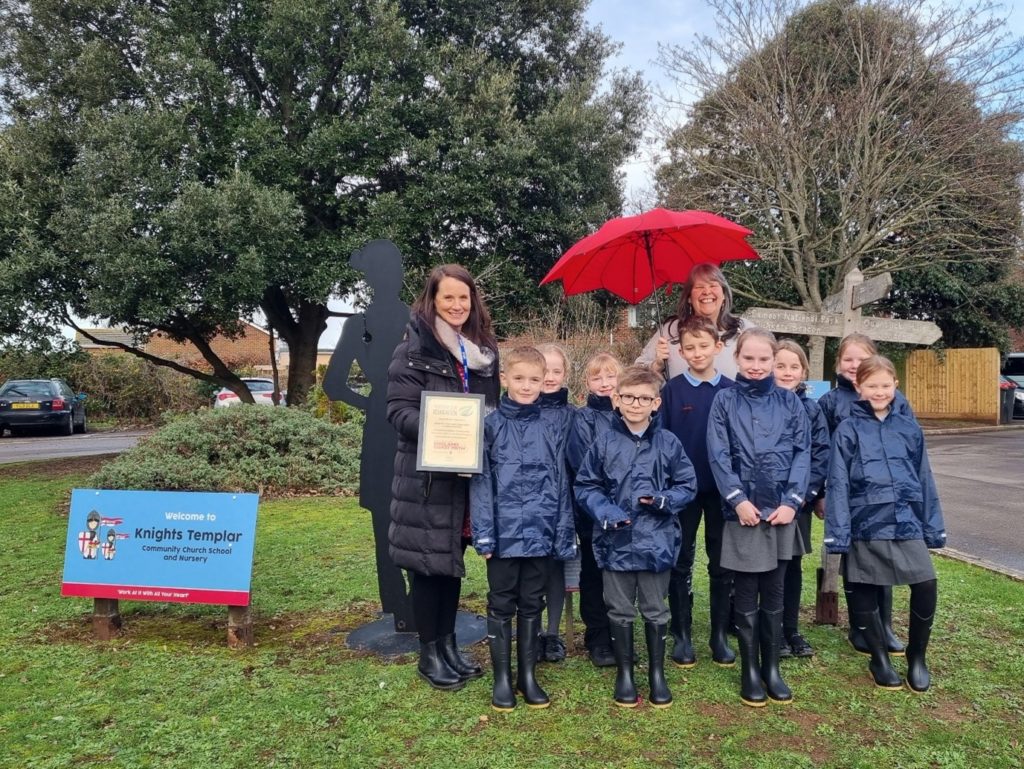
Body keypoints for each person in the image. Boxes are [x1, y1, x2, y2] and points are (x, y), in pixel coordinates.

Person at [386, 264, 500, 691]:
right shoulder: (412, 350)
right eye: (447, 297)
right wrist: (446, 429)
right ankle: (429, 653)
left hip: (467, 479)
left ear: (473, 302)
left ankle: (449, 645)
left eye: (463, 297)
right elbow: (399, 412)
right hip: (428, 480)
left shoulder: (483, 352)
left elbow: (492, 410)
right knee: (428, 569)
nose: (456, 305)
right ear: (432, 300)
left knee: (450, 566)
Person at [575, 367, 697, 709]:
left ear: (656, 403)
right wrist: (605, 510)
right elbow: (586, 485)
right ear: (617, 399)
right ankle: (625, 673)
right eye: (629, 397)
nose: (636, 404)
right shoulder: (604, 442)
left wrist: (665, 500)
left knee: (655, 609)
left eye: (644, 398)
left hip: (657, 541)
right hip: (615, 542)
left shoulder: (669, 443)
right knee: (619, 609)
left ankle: (657, 673)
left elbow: (687, 484)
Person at [825, 355, 945, 693]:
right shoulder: (847, 430)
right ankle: (878, 658)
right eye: (871, 385)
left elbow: (924, 477)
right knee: (863, 586)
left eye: (885, 385)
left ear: (895, 385)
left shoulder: (909, 428)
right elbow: (838, 483)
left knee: (926, 583)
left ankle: (917, 656)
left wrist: (932, 525)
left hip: (905, 520)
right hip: (865, 522)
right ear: (859, 387)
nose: (879, 391)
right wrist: (838, 533)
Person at [707, 328, 810, 707]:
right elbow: (718, 453)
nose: (756, 365)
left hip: (781, 512)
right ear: (736, 359)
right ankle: (750, 669)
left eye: (763, 359)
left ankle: (772, 668)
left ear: (773, 360)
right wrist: (737, 500)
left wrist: (793, 501)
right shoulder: (724, 401)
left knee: (775, 591)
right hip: (744, 513)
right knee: (747, 591)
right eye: (748, 358)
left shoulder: (789, 402)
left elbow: (802, 451)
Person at [471, 346, 576, 711]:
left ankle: (527, 676)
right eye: (519, 378)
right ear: (505, 379)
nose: (527, 386)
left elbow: (561, 483)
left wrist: (563, 532)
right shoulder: (490, 427)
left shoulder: (552, 427)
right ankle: (502, 678)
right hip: (502, 536)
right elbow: (481, 483)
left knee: (532, 603)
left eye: (534, 379)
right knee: (502, 604)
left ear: (544, 380)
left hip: (541, 533)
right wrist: (484, 533)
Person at [817, 333, 905, 656]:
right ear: (838, 363)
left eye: (862, 358)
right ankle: (860, 627)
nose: (855, 365)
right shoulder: (829, 402)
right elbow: (822, 451)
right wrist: (822, 493)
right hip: (848, 496)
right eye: (848, 359)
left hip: (883, 496)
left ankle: (885, 625)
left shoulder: (892, 397)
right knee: (855, 563)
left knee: (883, 559)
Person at [659, 317, 737, 668]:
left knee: (721, 563)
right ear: (680, 352)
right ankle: (682, 634)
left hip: (721, 490)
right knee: (680, 562)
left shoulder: (731, 391)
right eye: (689, 347)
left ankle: (719, 635)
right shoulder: (671, 391)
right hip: (683, 491)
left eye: (704, 346)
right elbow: (662, 442)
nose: (697, 353)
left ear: (718, 347)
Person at [565, 352, 624, 667]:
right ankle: (597, 637)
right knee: (593, 575)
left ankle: (620, 633)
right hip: (593, 512)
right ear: (587, 383)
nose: (604, 383)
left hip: (627, 512)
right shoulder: (583, 418)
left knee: (621, 576)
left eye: (610, 376)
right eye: (597, 377)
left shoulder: (630, 413)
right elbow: (582, 463)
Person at [773, 339, 830, 658]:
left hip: (798, 502)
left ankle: (790, 628)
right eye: (780, 365)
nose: (787, 372)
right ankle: (772, 629)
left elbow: (820, 454)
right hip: (766, 499)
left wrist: (805, 495)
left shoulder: (812, 409)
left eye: (794, 366)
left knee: (792, 564)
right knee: (769, 566)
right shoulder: (762, 405)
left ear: (804, 372)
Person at [635, 263, 751, 379]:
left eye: (713, 285)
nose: (706, 292)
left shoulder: (743, 330)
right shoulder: (671, 330)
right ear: (689, 298)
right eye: (699, 287)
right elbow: (637, 371)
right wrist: (657, 365)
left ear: (724, 294)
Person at [535, 343, 576, 663]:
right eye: (544, 370)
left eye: (556, 371)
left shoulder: (574, 415)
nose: (550, 377)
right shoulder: (521, 411)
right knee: (532, 570)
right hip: (530, 503)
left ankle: (552, 634)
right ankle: (533, 631)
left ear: (565, 375)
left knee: (556, 568)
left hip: (565, 503)